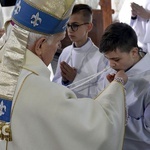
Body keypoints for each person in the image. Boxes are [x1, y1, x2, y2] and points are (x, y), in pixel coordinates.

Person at [0, 0, 127, 150]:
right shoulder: (40, 91)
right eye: (58, 42)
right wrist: (117, 86)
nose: (58, 47)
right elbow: (96, 128)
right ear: (40, 45)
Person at [98, 22, 150, 150]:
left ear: (134, 52)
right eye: (107, 58)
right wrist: (112, 91)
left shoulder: (147, 80)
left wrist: (109, 116)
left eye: (116, 60)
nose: (111, 65)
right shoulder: (113, 71)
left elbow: (147, 133)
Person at [53, 4, 108, 98]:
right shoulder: (65, 52)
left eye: (75, 25)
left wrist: (75, 79)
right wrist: (64, 81)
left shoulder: (100, 58)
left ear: (89, 27)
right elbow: (55, 83)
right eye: (68, 25)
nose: (70, 30)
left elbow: (102, 93)